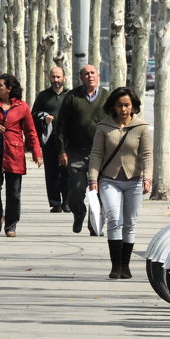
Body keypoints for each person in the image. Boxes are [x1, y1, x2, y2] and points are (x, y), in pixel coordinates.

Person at [87, 86, 152, 279]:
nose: (123, 109)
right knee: (114, 220)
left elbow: (147, 155)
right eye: (119, 106)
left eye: (127, 105)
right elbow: (96, 154)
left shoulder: (141, 127)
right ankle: (116, 266)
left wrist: (147, 178)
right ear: (113, 107)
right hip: (109, 180)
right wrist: (93, 178)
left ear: (133, 106)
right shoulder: (104, 126)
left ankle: (126, 266)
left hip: (134, 180)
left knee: (130, 223)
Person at [0, 73, 42, 237]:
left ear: (9, 88)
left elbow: (30, 131)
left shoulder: (22, 107)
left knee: (13, 193)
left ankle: (11, 225)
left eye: (0, 85)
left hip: (14, 154)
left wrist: (37, 152)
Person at [56, 64, 109, 234]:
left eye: (92, 73)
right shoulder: (72, 97)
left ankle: (95, 225)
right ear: (81, 77)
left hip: (101, 152)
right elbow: (62, 126)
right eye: (86, 74)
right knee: (77, 188)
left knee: (98, 190)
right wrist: (62, 150)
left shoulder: (107, 97)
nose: (90, 76)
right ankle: (79, 213)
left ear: (98, 75)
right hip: (76, 151)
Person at [31, 66, 70, 213]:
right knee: (52, 172)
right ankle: (55, 203)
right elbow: (33, 114)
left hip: (67, 141)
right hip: (50, 140)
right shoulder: (43, 96)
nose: (56, 80)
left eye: (58, 77)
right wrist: (43, 118)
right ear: (49, 78)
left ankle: (67, 201)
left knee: (67, 172)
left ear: (64, 78)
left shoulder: (70, 95)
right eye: (53, 77)